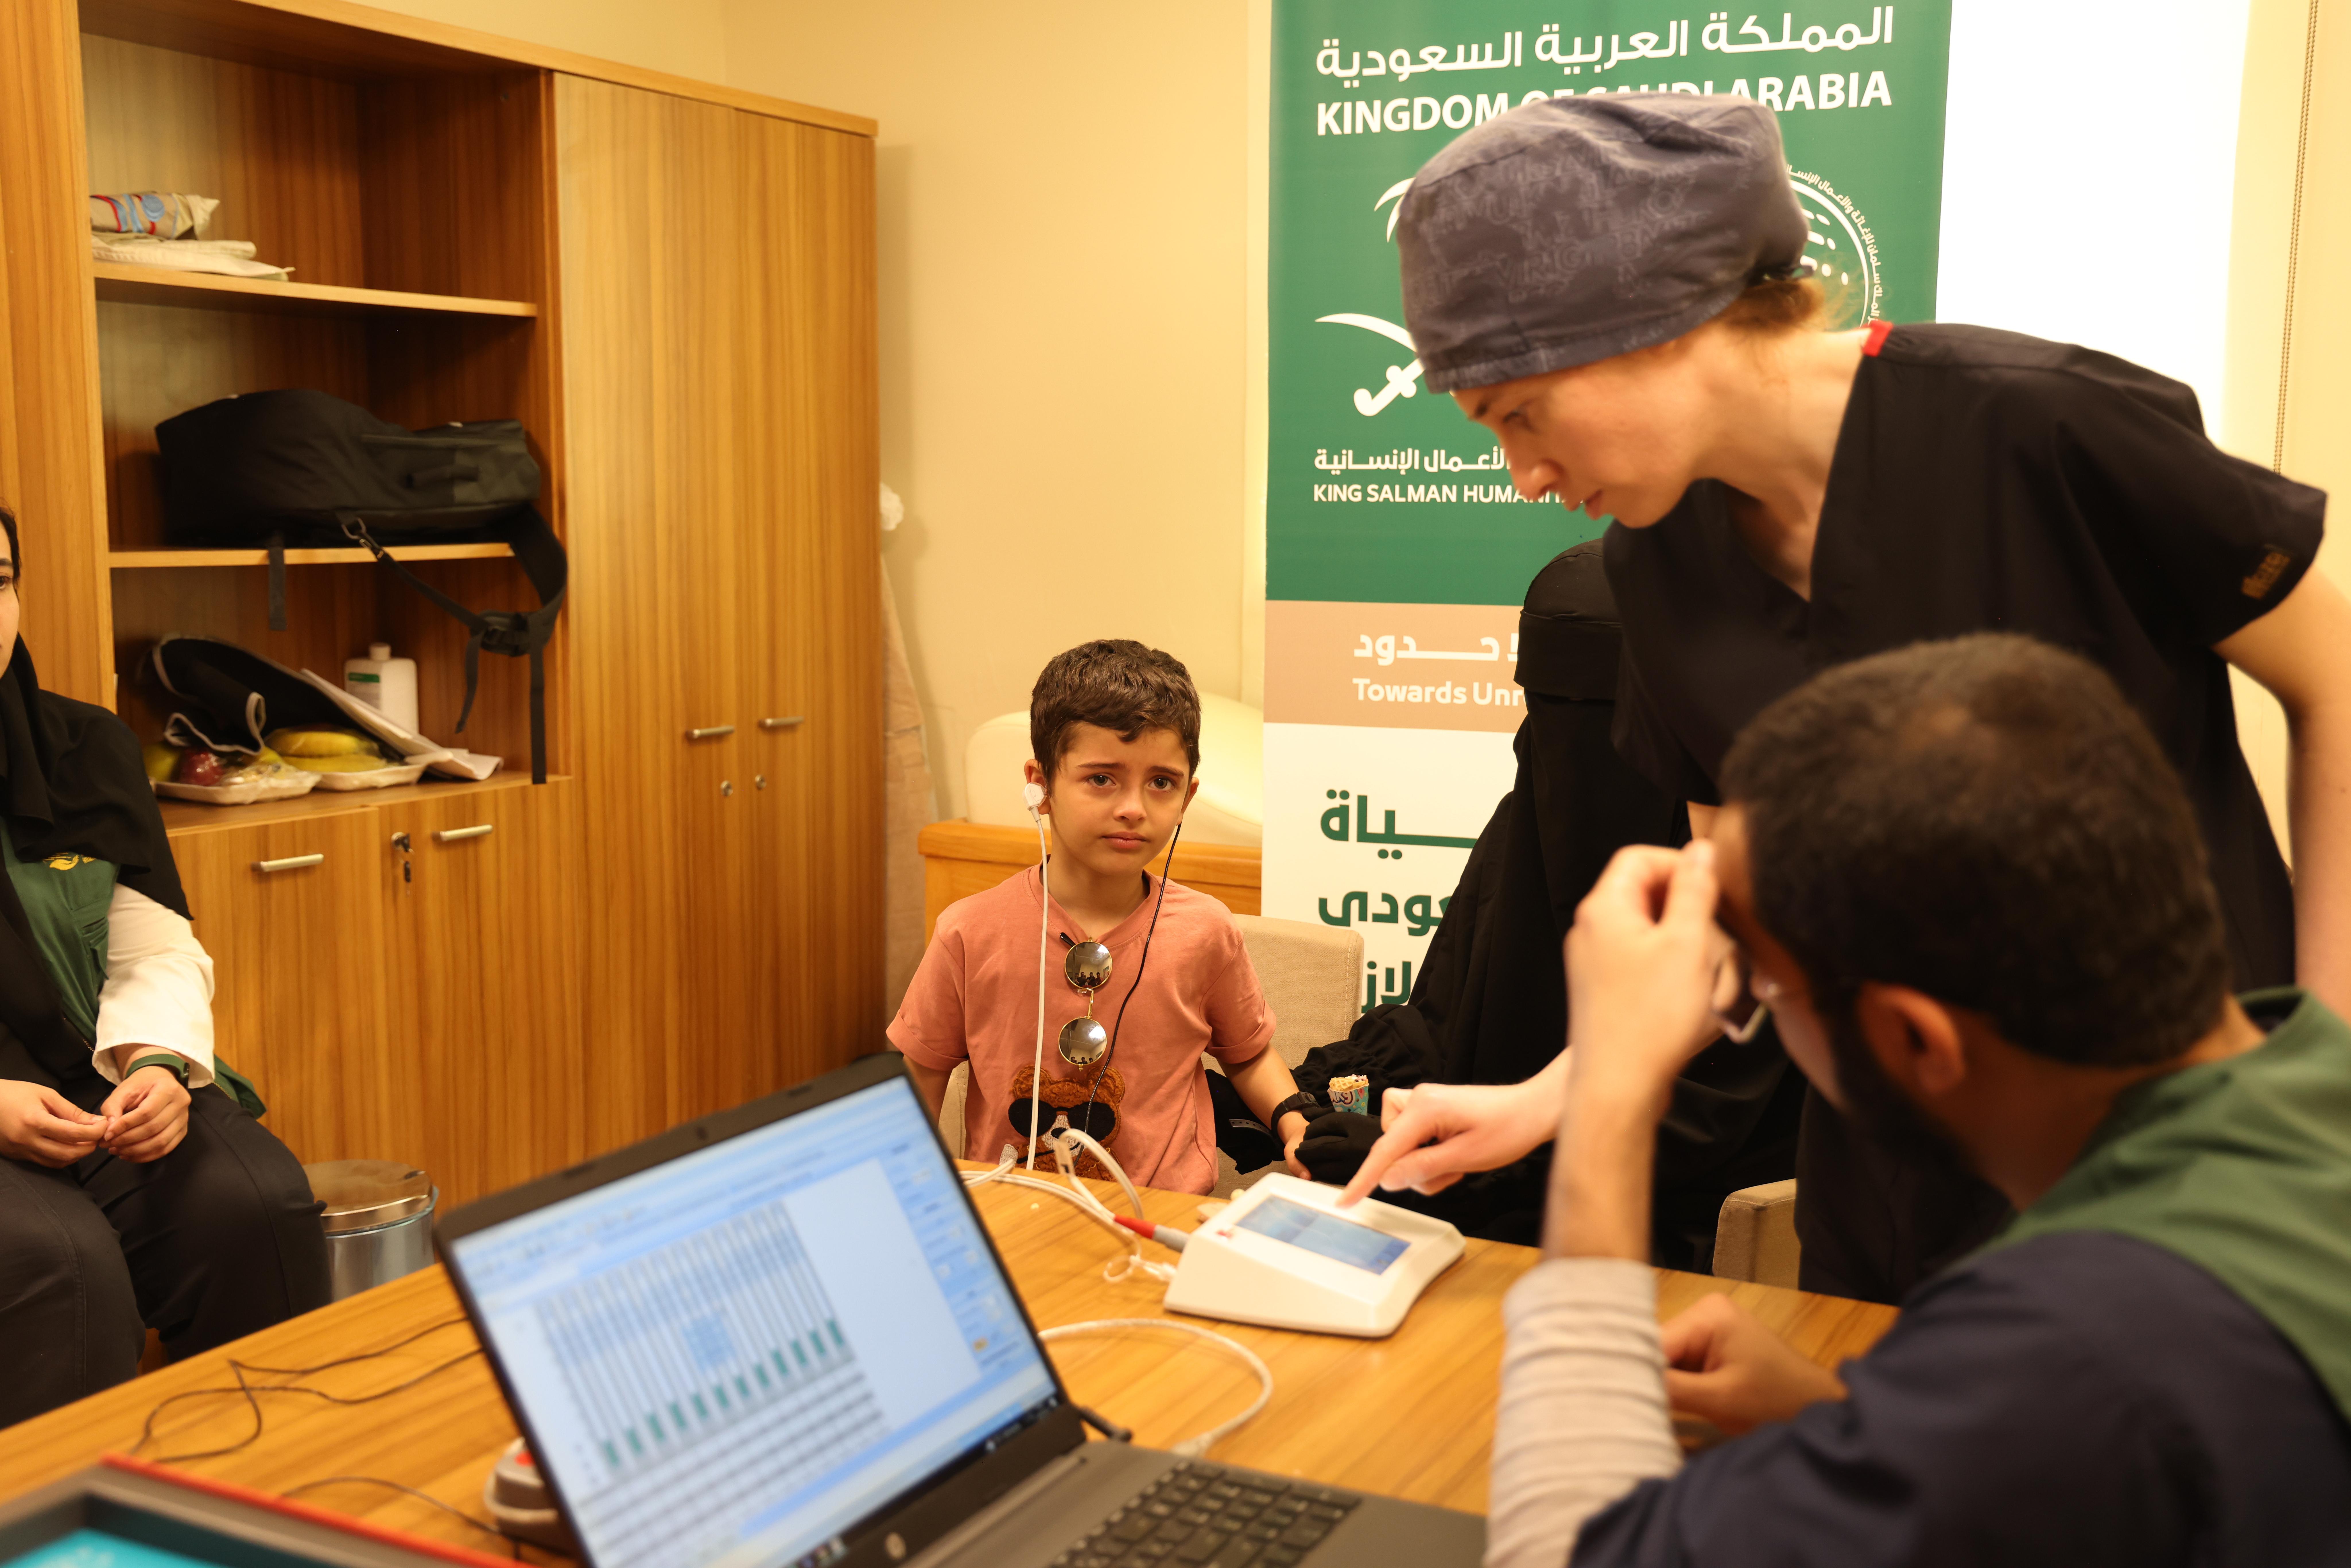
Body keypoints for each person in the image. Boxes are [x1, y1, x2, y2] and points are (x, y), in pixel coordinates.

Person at [1347, 93, 2351, 1301]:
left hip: (2183, 1143)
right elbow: (1725, 908)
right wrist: (1543, 1100)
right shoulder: (1654, 567)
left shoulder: (2036, 427)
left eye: (1521, 413)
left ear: (1655, 317)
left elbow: (2332, 676)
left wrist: (2323, 1056)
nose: (1524, 474)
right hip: (1888, 1181)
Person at [1485, 634, 2351, 1567]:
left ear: (1913, 1039)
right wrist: (1858, 1424)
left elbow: (1559, 1552)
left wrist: (1613, 1084)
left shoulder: (2073, 1349)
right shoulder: (2310, 1082)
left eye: (1758, 991)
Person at [1291, 542, 1801, 1262]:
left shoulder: (1757, 865)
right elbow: (1440, 1017)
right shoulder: (1525, 819)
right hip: (1477, 1226)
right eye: (1549, 707)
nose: (1576, 741)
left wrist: (1469, 1166)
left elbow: (1700, 1122)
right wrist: (1314, 1093)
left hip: (1688, 1246)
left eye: (1608, 716)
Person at [0, 506, 330, 1427]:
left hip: (87, 1084)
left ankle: (271, 1495)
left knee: (251, 1204)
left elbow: (153, 945)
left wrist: (154, 1063)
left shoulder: (83, 750)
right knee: (57, 1267)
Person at [891, 640, 1315, 1194]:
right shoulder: (967, 932)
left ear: (1187, 797)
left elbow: (1249, 1055)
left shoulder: (1208, 931)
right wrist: (914, 1193)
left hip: (1164, 1214)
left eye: (1160, 783)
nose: (1133, 807)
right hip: (1014, 1211)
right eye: (1101, 779)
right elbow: (922, 1072)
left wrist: (1295, 1122)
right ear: (1039, 785)